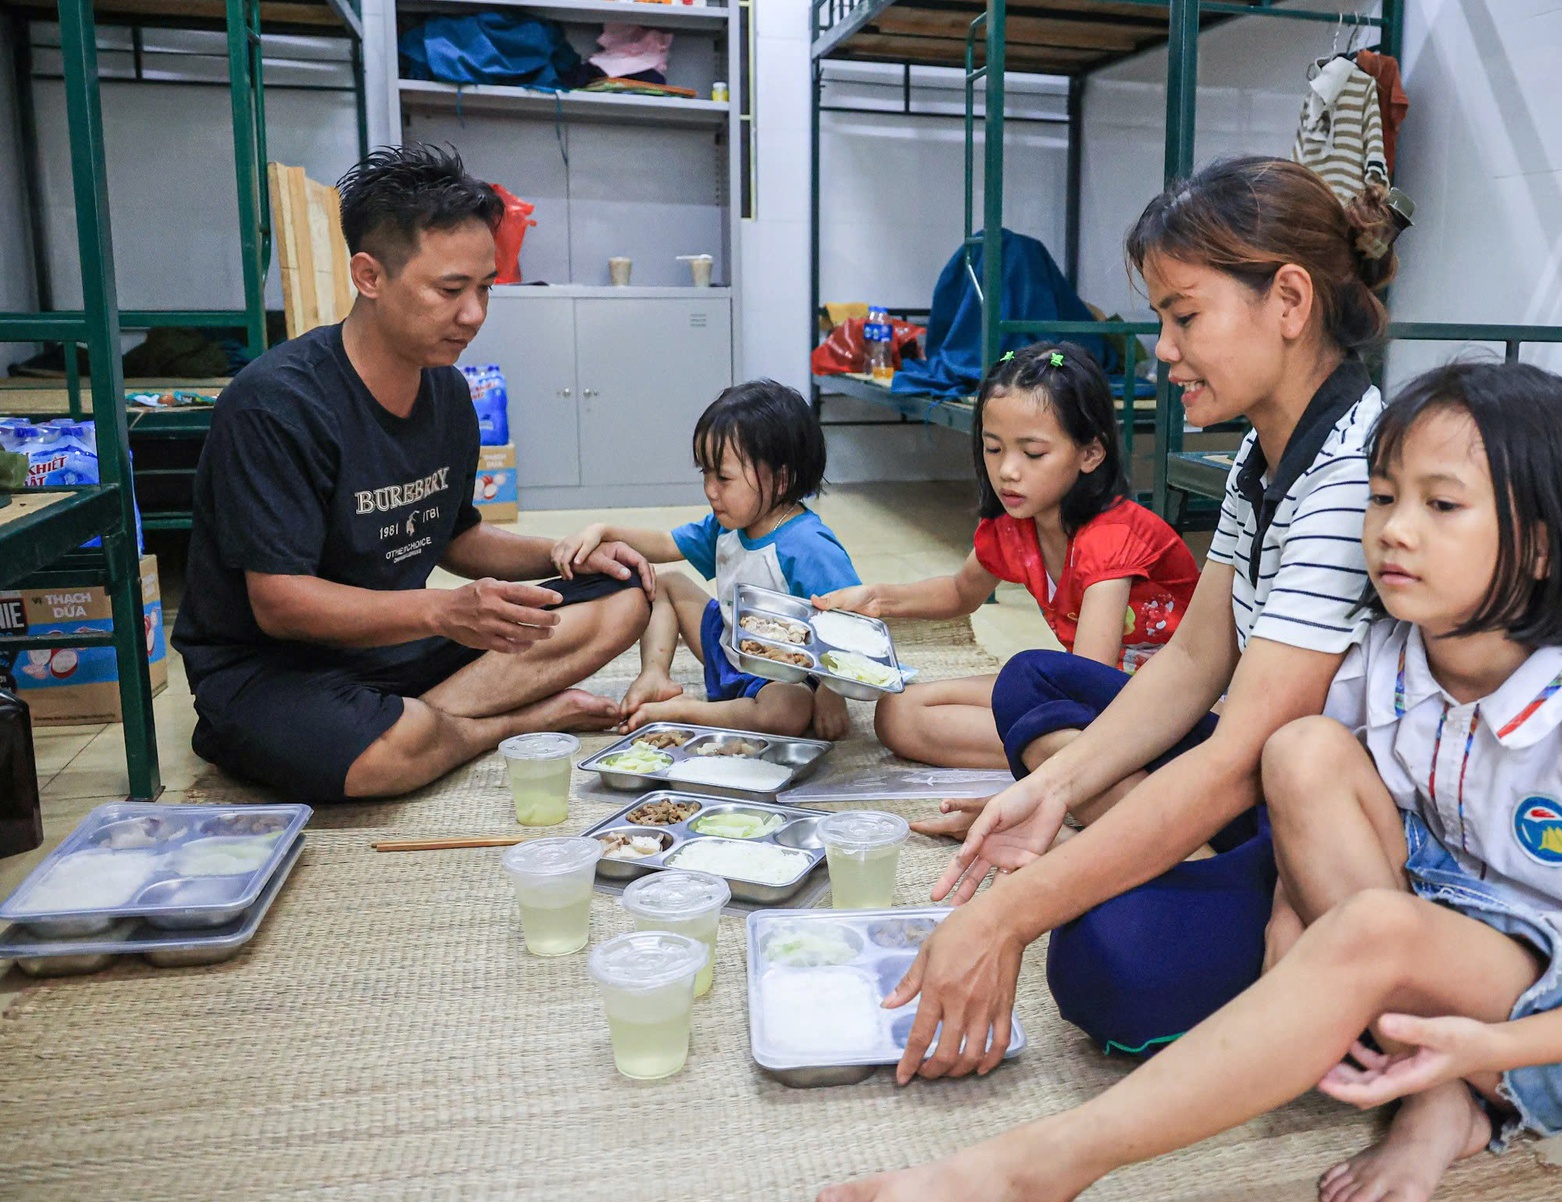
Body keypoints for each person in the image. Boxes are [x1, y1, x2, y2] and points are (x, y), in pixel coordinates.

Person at [817, 361, 1562, 1202]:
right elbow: (1297, 813)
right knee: (1299, 750)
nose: (1393, 530)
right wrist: (1289, 951)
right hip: (1426, 930)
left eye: (1441, 505)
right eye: (1384, 498)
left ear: (1540, 543)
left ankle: (1041, 1170)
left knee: (1363, 927)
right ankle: (1434, 1095)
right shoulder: (1383, 662)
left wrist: (1476, 1048)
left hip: (1553, 1009)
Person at [873, 155, 1406, 1075]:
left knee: (1103, 962)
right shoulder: (1262, 459)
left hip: (1327, 822)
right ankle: (1152, 842)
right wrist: (1052, 790)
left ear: (1288, 301)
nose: (1162, 349)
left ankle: (1244, 904)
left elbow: (1238, 759)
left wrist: (1009, 914)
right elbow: (1194, 661)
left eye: (1184, 316)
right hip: (1261, 774)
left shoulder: (1351, 476)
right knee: (1032, 680)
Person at [172, 145, 652, 803]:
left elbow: (456, 537)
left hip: (400, 648)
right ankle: (505, 722)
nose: (474, 314)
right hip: (276, 672)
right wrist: (443, 611)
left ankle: (430, 725)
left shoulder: (447, 392)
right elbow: (279, 603)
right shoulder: (276, 404)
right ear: (369, 276)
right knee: (383, 755)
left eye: (485, 288)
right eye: (450, 290)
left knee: (624, 597)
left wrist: (565, 555)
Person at [814, 343, 1198, 781]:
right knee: (898, 713)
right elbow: (960, 592)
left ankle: (1088, 766)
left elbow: (1088, 678)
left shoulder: (1112, 536)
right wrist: (875, 600)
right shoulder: (1015, 525)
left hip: (1156, 703)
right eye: (993, 448)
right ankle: (1063, 758)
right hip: (1083, 696)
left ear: (1090, 454)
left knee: (1031, 685)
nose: (1007, 471)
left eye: (1032, 453)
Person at [552, 380, 857, 739]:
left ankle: (686, 712)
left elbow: (852, 622)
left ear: (780, 479)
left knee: (788, 712)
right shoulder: (728, 525)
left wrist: (832, 692)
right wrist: (603, 530)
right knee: (665, 584)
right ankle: (654, 675)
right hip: (727, 646)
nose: (709, 490)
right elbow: (665, 543)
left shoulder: (807, 544)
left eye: (723, 478)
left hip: (783, 677)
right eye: (705, 474)